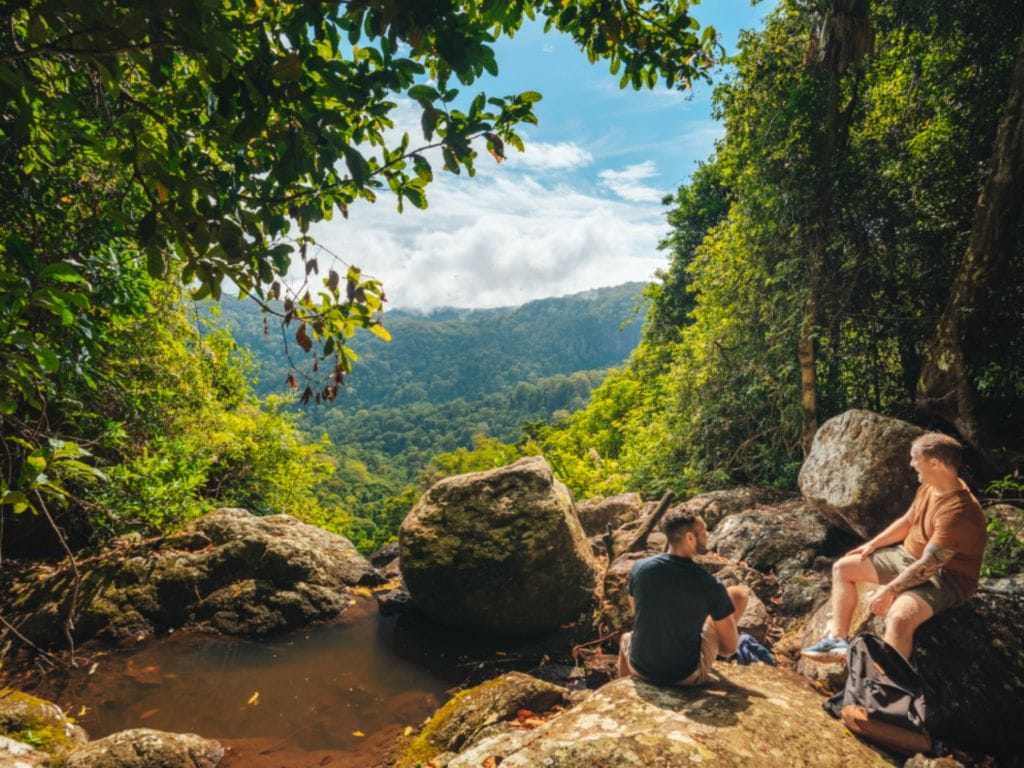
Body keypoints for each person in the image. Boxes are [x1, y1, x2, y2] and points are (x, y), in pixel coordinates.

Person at [802, 432, 987, 663]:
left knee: (899, 617)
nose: (911, 464)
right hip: (907, 557)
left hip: (946, 578)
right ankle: (837, 640)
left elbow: (929, 566)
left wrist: (889, 590)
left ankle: (887, 681)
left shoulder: (959, 512)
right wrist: (872, 545)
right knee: (843, 568)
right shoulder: (929, 487)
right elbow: (908, 521)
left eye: (915, 458)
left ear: (935, 463)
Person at [617, 508, 749, 685]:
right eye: (704, 531)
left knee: (626, 638)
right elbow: (730, 647)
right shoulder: (709, 584)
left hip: (640, 667)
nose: (708, 536)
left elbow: (638, 612)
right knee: (737, 595)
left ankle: (624, 687)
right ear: (690, 538)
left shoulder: (639, 568)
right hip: (684, 675)